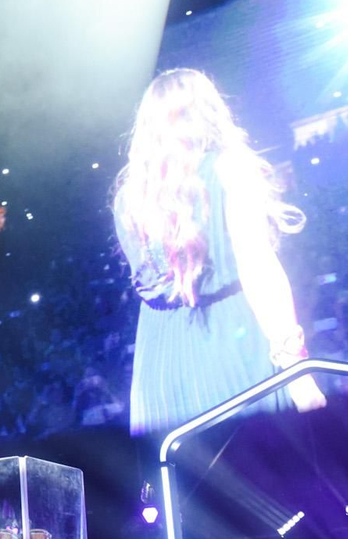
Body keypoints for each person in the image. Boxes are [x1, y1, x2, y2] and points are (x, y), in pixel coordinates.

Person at [111, 69, 325, 436]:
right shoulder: (229, 168)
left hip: (160, 365)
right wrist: (297, 371)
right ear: (208, 109)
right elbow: (259, 268)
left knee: (183, 484)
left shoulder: (129, 198)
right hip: (230, 340)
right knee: (260, 476)